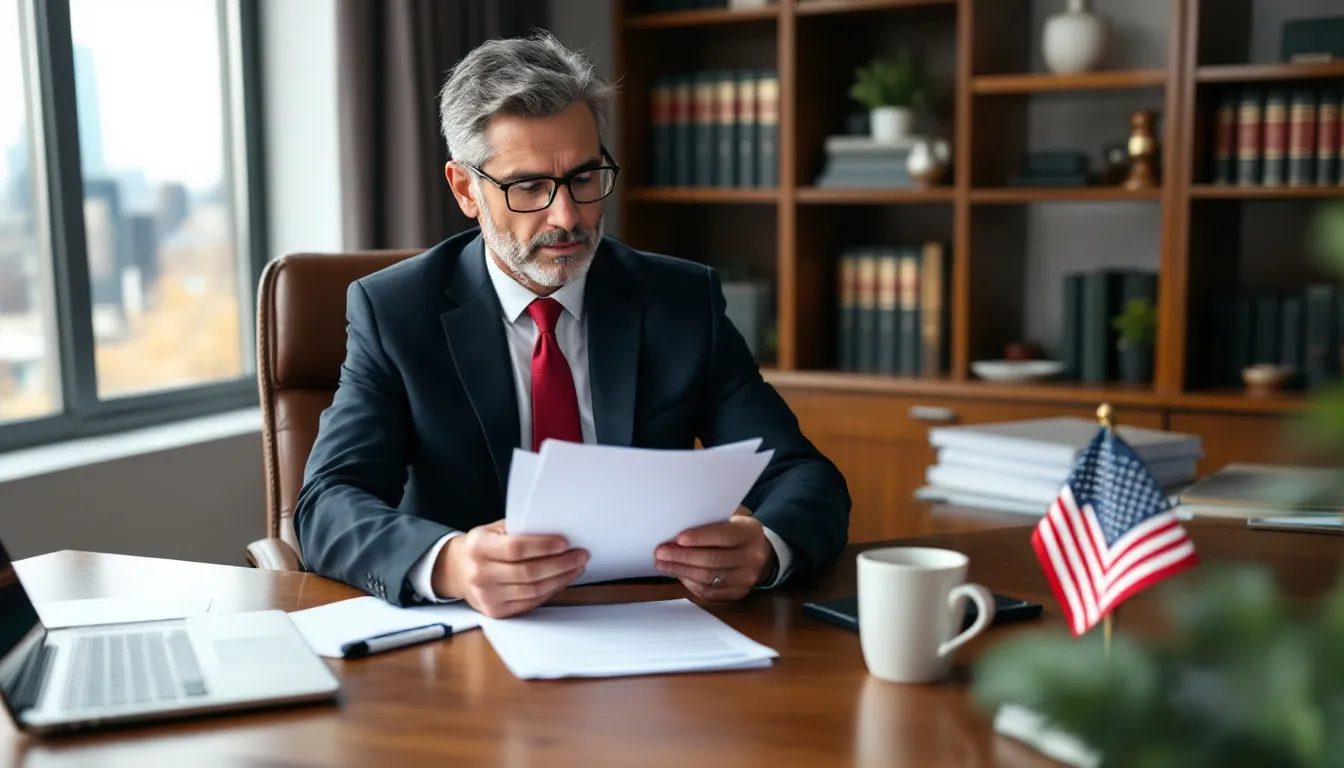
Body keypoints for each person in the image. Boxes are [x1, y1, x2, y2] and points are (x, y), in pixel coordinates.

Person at [295, 32, 849, 618]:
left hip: (651, 627)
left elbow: (802, 476)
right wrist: (451, 562)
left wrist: (766, 549)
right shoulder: (397, 313)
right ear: (466, 190)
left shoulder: (681, 302)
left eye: (584, 179)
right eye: (529, 186)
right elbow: (327, 504)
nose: (567, 217)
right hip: (468, 641)